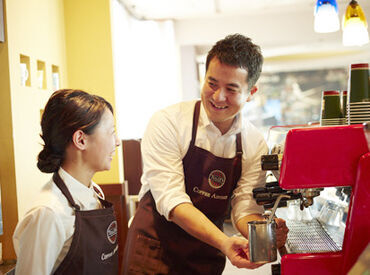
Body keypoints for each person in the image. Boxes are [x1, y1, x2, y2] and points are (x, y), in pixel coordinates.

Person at [122, 34, 289, 274]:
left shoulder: (253, 142)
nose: (218, 97)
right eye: (212, 84)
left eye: (231, 89)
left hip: (204, 257)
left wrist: (264, 230)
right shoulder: (168, 122)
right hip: (154, 251)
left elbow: (244, 206)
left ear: (251, 92)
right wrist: (223, 241)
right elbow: (173, 200)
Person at [13, 89, 121, 274]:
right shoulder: (48, 213)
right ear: (81, 139)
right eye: (111, 132)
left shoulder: (95, 194)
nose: (117, 142)